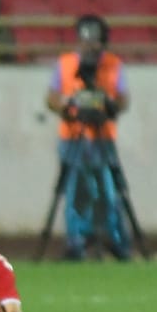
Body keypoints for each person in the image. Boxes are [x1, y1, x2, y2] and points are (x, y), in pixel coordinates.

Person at [43, 14, 132, 261]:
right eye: (86, 40)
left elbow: (123, 98)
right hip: (73, 136)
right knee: (75, 191)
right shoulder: (66, 63)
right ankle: (77, 241)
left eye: (95, 41)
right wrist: (67, 105)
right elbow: (51, 97)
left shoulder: (114, 64)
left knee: (109, 190)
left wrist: (110, 104)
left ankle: (116, 240)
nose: (90, 46)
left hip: (102, 137)